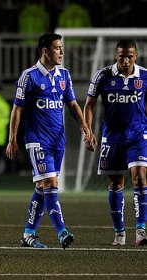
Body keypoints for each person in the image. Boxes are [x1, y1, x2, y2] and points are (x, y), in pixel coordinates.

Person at [6, 33, 90, 249]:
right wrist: (12, 138)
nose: (61, 52)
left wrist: (84, 125)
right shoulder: (29, 76)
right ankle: (62, 231)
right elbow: (18, 109)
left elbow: (71, 103)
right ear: (45, 51)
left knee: (42, 187)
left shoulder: (64, 75)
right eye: (57, 48)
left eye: (61, 48)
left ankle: (28, 234)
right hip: (37, 140)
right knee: (51, 183)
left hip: (57, 140)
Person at [84, 39, 147, 246]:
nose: (126, 60)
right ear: (116, 56)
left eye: (130, 56)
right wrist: (88, 130)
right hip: (112, 138)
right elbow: (90, 104)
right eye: (122, 57)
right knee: (116, 183)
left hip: (138, 136)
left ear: (136, 56)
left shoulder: (145, 76)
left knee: (139, 178)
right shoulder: (103, 76)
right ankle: (119, 233)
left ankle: (141, 230)